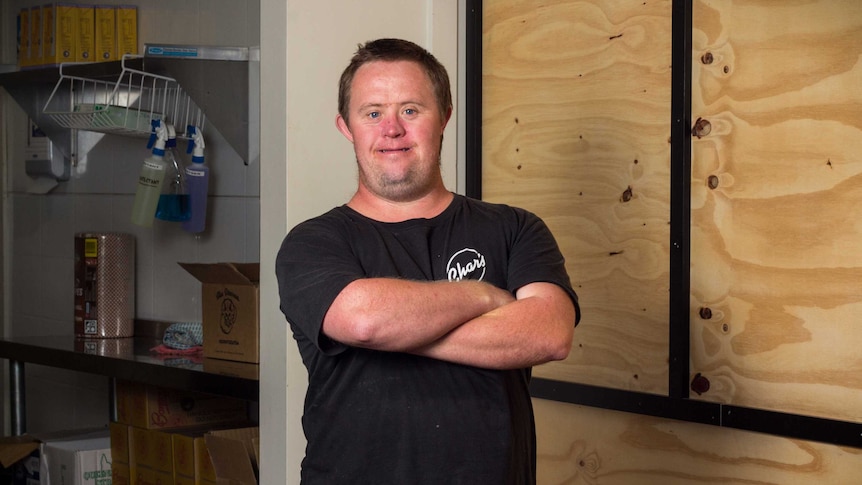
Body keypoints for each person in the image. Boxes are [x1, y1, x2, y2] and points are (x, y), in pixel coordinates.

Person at [276, 38, 580, 485]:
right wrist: (484, 295)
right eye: (373, 112)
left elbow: (550, 333)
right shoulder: (314, 243)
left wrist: (399, 328)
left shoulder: (514, 228)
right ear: (347, 127)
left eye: (411, 110)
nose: (392, 129)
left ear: (445, 118)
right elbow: (364, 321)